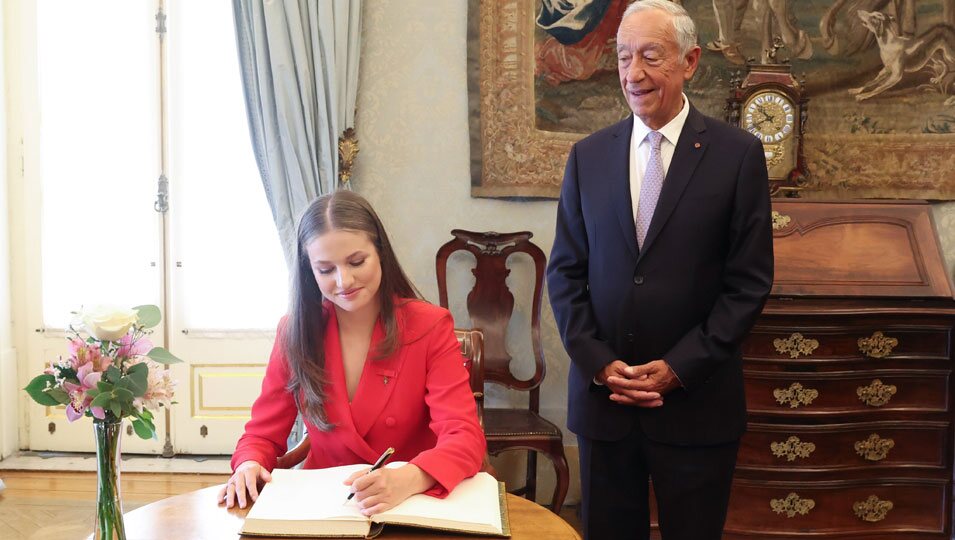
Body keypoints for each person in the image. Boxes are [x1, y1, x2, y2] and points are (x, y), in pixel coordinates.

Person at [546, 1, 774, 539]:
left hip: (697, 405)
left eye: (651, 55)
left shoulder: (737, 156)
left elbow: (748, 285)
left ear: (690, 61)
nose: (634, 73)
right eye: (624, 57)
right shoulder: (588, 157)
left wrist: (678, 367)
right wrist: (600, 364)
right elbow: (565, 274)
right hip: (606, 405)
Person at [218, 191, 486, 516]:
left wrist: (409, 478)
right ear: (308, 271)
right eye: (325, 270)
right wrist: (248, 463)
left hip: (413, 504)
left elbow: (464, 436)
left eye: (357, 262)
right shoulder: (295, 331)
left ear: (381, 254)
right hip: (323, 506)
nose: (344, 281)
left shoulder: (430, 325)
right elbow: (262, 433)